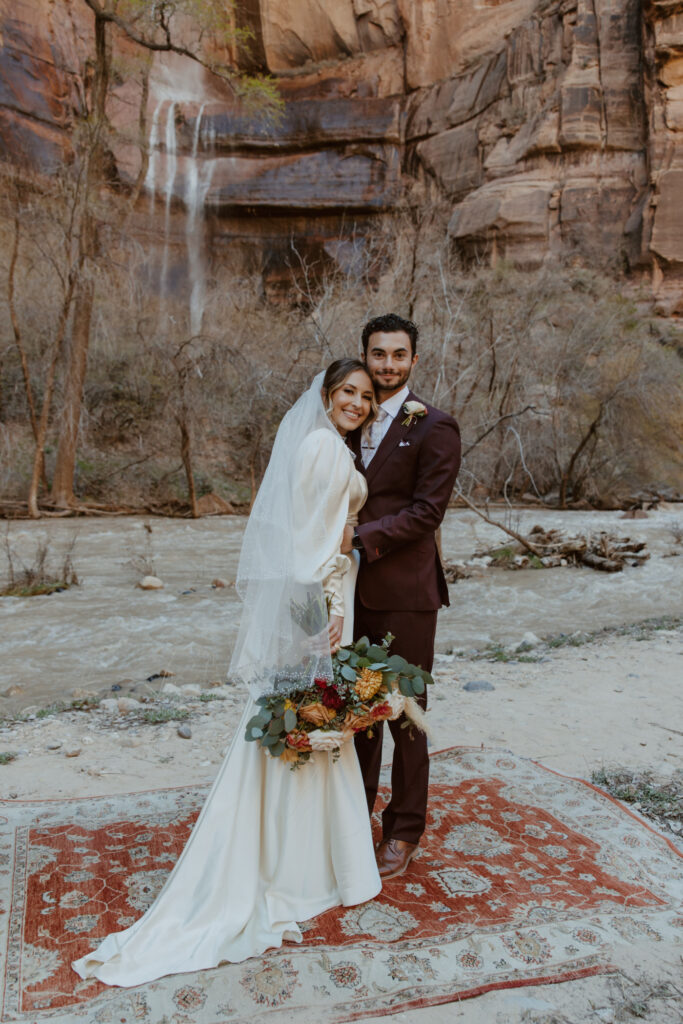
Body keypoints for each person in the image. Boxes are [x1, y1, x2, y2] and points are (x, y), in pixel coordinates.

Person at [72, 359, 381, 987]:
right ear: (326, 397)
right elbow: (305, 545)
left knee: (300, 727)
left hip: (321, 598)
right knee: (306, 724)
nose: (357, 401)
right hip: (315, 603)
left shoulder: (321, 443)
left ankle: (304, 861)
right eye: (347, 392)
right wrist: (312, 621)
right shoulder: (324, 446)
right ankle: (301, 871)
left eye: (366, 395)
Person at [343, 314, 461, 881]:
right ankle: (353, 816)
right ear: (364, 357)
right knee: (360, 712)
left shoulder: (436, 426)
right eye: (377, 354)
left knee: (406, 717)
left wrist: (361, 539)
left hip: (408, 597)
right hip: (349, 594)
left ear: (414, 361)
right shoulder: (347, 421)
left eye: (397, 355)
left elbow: (427, 512)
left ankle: (404, 829)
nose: (387, 364)